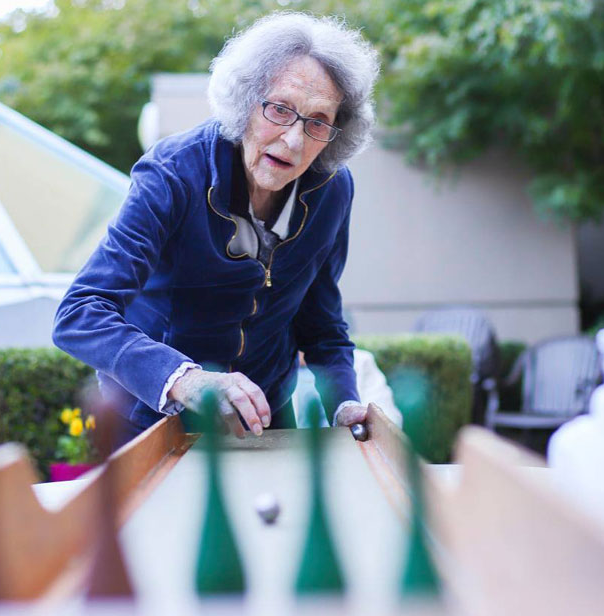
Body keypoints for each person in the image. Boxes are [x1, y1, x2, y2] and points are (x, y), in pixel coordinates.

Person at [53, 13, 380, 446]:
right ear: (245, 101)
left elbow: (321, 324)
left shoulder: (332, 189)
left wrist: (344, 402)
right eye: (280, 109)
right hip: (152, 419)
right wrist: (185, 379)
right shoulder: (173, 173)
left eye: (318, 121)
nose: (294, 140)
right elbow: (81, 312)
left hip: (262, 413)